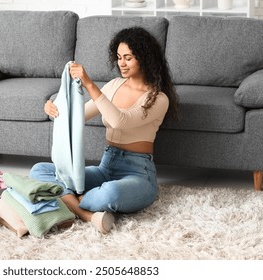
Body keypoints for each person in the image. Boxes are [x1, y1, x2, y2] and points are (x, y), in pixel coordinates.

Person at [30, 27, 179, 234]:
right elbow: (78, 116)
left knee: (111, 193)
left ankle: (72, 199)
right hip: (106, 166)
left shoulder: (157, 98)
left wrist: (89, 83)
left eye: (128, 58)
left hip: (137, 173)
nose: (121, 63)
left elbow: (120, 121)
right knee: (40, 170)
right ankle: (86, 213)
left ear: (144, 58)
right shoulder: (114, 85)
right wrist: (54, 110)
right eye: (119, 57)